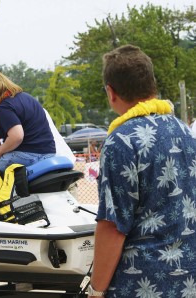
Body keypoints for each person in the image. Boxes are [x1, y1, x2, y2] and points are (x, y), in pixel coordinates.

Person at [88, 45, 196, 297]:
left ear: (110, 92)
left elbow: (113, 225)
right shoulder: (183, 130)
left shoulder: (122, 141)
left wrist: (96, 290)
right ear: (152, 85)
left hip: (141, 283)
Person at [0, 70, 56, 172]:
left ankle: (12, 186)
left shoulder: (5, 107)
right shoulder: (26, 97)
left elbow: (16, 136)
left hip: (31, 155)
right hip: (49, 153)